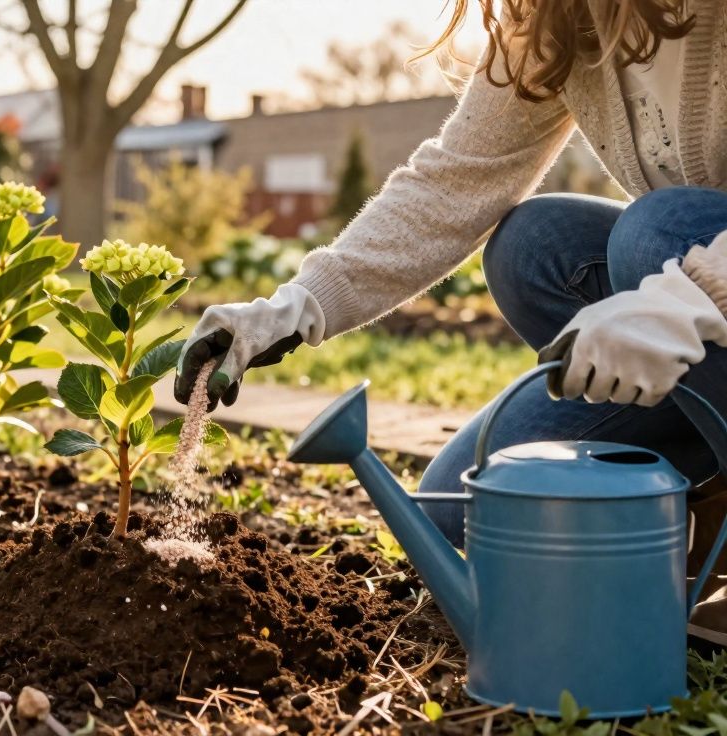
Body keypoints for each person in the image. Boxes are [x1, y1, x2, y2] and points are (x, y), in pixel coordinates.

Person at [176, 0, 727, 552]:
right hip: (693, 300)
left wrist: (686, 300)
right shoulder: (556, 20)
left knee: (655, 232)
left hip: (699, 276)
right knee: (532, 248)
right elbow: (455, 180)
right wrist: (296, 307)